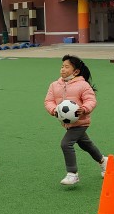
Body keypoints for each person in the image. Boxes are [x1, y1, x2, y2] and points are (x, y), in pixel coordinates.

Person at [44, 55, 107, 186]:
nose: (62, 69)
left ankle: (72, 174)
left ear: (76, 71)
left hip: (81, 122)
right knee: (86, 145)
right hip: (68, 123)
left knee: (66, 144)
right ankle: (103, 161)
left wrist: (84, 109)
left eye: (67, 67)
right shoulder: (54, 85)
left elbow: (91, 100)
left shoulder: (83, 85)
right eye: (62, 66)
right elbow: (48, 101)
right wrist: (54, 110)